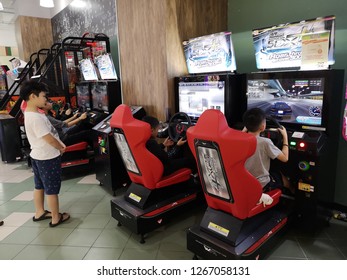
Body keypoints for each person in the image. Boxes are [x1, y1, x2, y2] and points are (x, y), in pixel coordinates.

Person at [20, 80, 70, 227]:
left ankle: (40, 212)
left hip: (37, 155)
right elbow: (48, 138)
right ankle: (56, 217)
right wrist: (60, 147)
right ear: (33, 96)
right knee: (52, 190)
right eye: (43, 96)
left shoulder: (31, 113)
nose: (46, 100)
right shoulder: (35, 118)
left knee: (39, 186)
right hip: (47, 157)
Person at [242, 108, 291, 204]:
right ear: (263, 127)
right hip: (260, 185)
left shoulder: (238, 140)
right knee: (281, 176)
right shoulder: (265, 142)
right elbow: (285, 158)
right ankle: (293, 193)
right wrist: (285, 137)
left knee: (273, 171)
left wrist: (244, 131)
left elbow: (241, 135)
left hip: (245, 182)